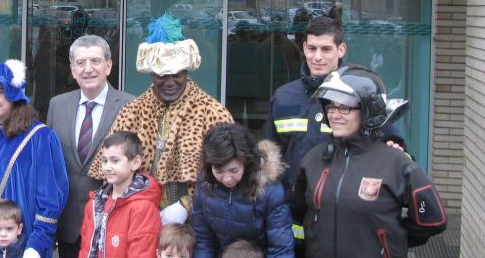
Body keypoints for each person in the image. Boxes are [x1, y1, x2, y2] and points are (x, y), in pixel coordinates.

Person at [265, 16, 404, 245]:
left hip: (342, 221)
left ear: (341, 49)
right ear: (304, 48)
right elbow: (270, 157)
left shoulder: (361, 92)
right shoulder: (283, 97)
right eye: (312, 48)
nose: (317, 57)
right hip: (291, 222)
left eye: (326, 49)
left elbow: (392, 148)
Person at [90, 14, 233, 225]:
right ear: (151, 74)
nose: (169, 82)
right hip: (136, 222)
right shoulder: (131, 112)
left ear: (186, 71)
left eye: (176, 74)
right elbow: (107, 171)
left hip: (194, 228)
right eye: (161, 75)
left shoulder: (212, 113)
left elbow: (229, 174)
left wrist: (187, 205)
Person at [293, 65, 447, 258]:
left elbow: (433, 220)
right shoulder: (313, 159)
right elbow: (298, 212)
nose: (334, 114)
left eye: (345, 107)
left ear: (368, 110)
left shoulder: (396, 162)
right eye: (330, 106)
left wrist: (389, 239)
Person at [0, 60, 68, 258]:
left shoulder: (39, 137)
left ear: (13, 93)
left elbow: (50, 199)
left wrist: (36, 245)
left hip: (26, 247)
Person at [46, 35, 134, 258]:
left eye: (95, 61)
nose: (88, 69)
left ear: (108, 65)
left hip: (111, 223)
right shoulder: (57, 105)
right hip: (68, 226)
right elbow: (50, 165)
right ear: (73, 70)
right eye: (80, 63)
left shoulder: (131, 106)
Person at [190, 123, 293, 258]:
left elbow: (281, 248)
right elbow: (203, 240)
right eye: (219, 171)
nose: (227, 179)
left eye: (234, 170)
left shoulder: (269, 190)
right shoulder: (205, 186)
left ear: (246, 162)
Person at [79, 131, 162, 258]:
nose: (107, 167)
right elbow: (85, 249)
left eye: (115, 161)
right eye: (105, 161)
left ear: (135, 163)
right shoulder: (94, 203)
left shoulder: (143, 209)